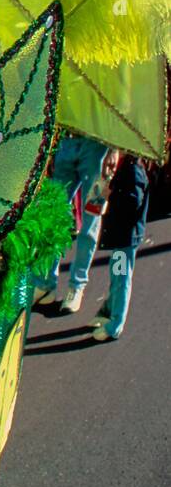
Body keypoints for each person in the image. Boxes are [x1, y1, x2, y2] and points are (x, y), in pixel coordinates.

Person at [69, 153, 151, 342]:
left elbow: (133, 203)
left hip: (125, 241)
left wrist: (111, 195)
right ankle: (107, 311)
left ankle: (115, 325)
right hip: (122, 240)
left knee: (121, 279)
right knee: (116, 277)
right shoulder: (128, 167)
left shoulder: (134, 172)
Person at [36, 133, 110, 308]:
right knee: (53, 216)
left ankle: (76, 286)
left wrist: (113, 150)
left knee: (91, 220)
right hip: (68, 142)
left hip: (97, 146)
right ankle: (45, 282)